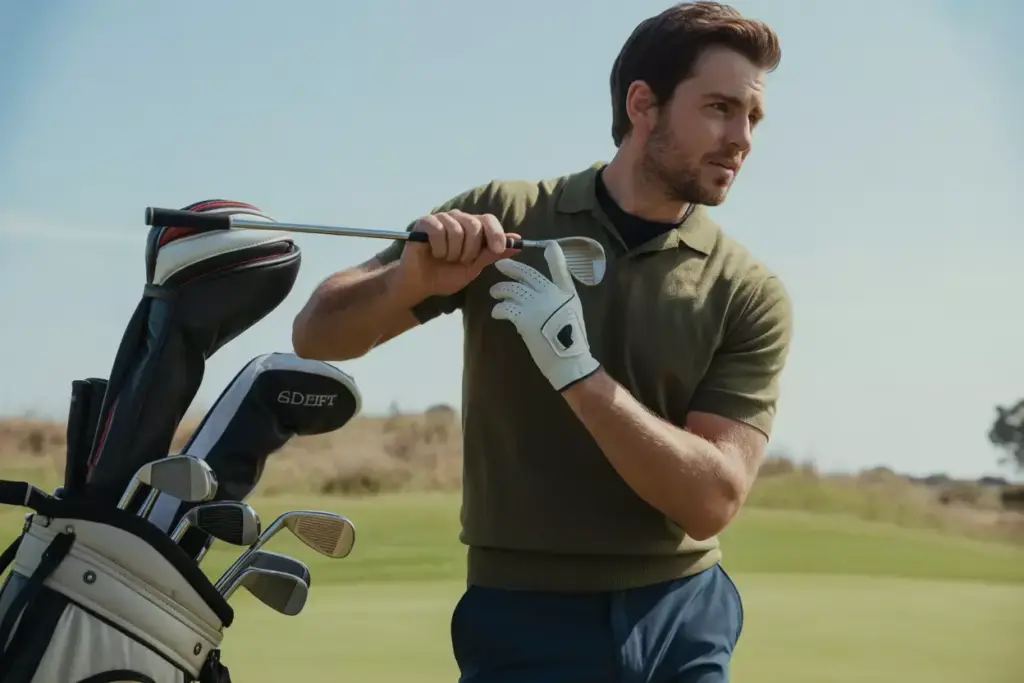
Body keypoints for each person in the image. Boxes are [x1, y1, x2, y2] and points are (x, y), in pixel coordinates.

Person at [292, 2, 792, 680]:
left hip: (682, 614)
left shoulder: (747, 289)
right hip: (522, 614)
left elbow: (713, 500)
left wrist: (577, 373)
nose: (743, 138)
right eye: (719, 108)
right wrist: (406, 282)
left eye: (752, 117)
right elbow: (318, 334)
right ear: (643, 104)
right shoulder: (509, 215)